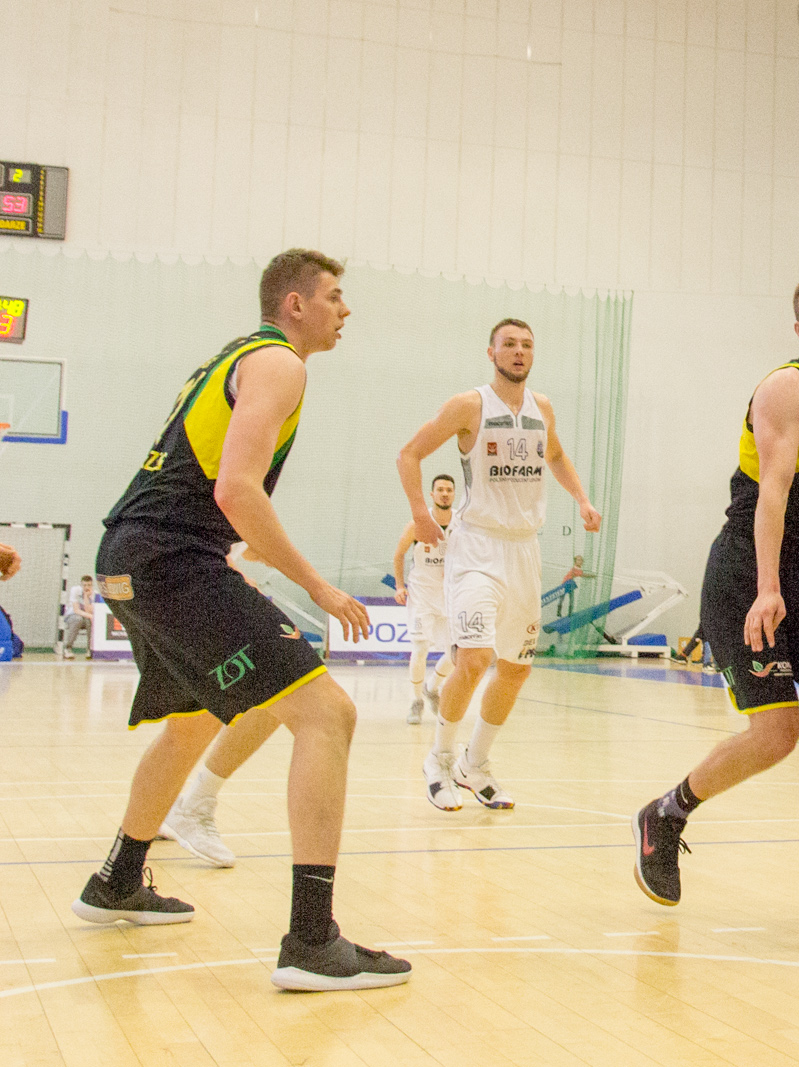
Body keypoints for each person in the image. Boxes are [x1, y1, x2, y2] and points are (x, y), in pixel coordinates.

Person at [73, 249, 410, 990]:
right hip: (171, 557)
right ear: (294, 304)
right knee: (328, 712)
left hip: (130, 552)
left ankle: (117, 878)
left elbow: (204, 488)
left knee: (194, 717)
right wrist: (318, 586)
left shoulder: (230, 358)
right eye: (334, 296)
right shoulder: (282, 365)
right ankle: (312, 939)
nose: (345, 310)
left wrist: (217, 549)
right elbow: (236, 490)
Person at [630, 272, 799, 924]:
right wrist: (767, 587)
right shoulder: (789, 388)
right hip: (752, 573)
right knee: (778, 733)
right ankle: (665, 814)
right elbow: (776, 495)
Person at [397, 317, 603, 811]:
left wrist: (581, 498)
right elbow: (409, 454)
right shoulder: (469, 405)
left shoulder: (542, 408)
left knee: (515, 668)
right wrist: (421, 515)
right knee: (472, 658)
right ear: (491, 353)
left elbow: (555, 455)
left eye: (526, 345)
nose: (518, 351)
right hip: (476, 548)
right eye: (508, 344)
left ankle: (475, 763)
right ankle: (440, 759)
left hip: (524, 550)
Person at [390, 474, 456, 724]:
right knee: (419, 648)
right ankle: (416, 700)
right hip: (421, 596)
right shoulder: (419, 523)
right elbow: (398, 554)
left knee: (455, 654)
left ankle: (433, 688)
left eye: (449, 490)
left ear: (453, 494)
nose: (445, 493)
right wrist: (399, 585)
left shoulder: (460, 522)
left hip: (449, 597)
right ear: (432, 494)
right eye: (440, 489)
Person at [62, 575, 94, 658]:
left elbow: (88, 611)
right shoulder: (75, 590)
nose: (87, 587)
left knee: (90, 621)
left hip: (85, 617)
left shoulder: (93, 593)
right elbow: (76, 610)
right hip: (71, 616)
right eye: (84, 585)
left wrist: (87, 597)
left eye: (89, 585)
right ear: (81, 584)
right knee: (78, 619)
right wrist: (91, 616)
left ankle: (90, 649)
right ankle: (68, 648)